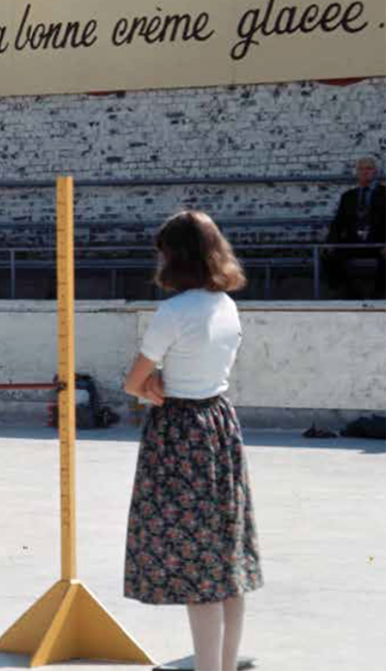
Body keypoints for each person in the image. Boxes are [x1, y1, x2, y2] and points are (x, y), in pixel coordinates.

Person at [122, 211, 263, 671]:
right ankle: (222, 664)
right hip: (220, 424)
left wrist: (152, 382)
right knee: (226, 562)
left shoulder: (174, 312)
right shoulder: (226, 304)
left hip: (180, 432)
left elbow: (133, 383)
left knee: (197, 568)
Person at [323, 156, 386, 299]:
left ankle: (379, 295)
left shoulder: (385, 194)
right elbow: (338, 223)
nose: (365, 172)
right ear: (357, 172)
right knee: (328, 256)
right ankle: (351, 294)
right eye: (361, 169)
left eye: (369, 168)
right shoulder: (348, 196)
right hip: (354, 242)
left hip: (379, 243)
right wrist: (330, 242)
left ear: (375, 171)